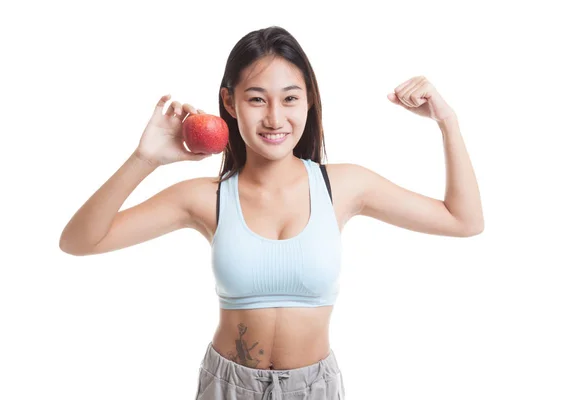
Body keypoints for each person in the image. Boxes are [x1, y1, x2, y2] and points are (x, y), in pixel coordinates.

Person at [59, 26, 484, 400]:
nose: (275, 117)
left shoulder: (345, 186)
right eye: (257, 99)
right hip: (227, 386)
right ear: (229, 102)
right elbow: (79, 241)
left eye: (290, 98)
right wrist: (145, 158)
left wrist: (447, 121)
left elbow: (463, 221)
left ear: (310, 101)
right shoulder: (206, 198)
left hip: (314, 388)